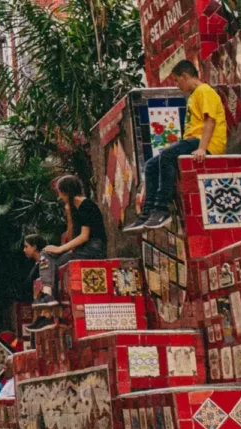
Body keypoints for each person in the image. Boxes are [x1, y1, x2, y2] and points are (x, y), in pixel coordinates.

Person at [127, 60, 227, 232]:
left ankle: (162, 209)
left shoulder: (204, 91)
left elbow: (210, 120)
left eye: (176, 80)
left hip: (205, 142)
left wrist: (203, 148)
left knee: (167, 156)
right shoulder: (194, 95)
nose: (176, 84)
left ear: (185, 76)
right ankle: (147, 212)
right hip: (192, 141)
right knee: (151, 164)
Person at [36, 175, 107, 303]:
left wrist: (60, 249)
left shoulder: (87, 205)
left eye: (61, 193)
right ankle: (48, 295)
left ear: (67, 192)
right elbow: (71, 237)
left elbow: (84, 236)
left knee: (56, 266)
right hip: (81, 248)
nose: (60, 197)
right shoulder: (74, 207)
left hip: (93, 248)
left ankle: (50, 299)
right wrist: (69, 214)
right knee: (46, 255)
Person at [22, 233, 50, 303]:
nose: (24, 250)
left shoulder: (44, 263)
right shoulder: (37, 263)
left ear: (34, 247)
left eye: (26, 246)